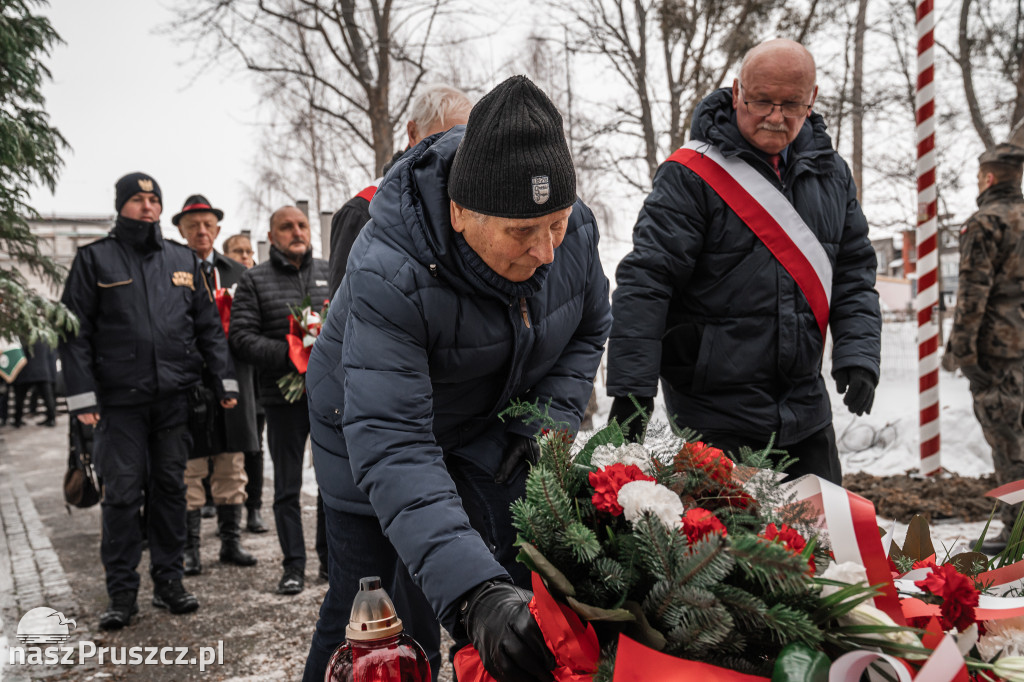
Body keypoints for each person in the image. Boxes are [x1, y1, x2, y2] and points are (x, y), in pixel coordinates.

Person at [302, 75, 611, 682]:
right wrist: (475, 596)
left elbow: (589, 325)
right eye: (523, 232)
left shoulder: (572, 233)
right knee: (374, 616)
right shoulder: (390, 269)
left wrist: (545, 418)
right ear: (460, 210)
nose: (547, 250)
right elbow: (393, 444)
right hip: (364, 426)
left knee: (516, 603)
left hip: (477, 423)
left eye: (557, 224)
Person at [607, 39, 881, 485]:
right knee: (726, 553)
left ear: (811, 100)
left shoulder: (832, 174)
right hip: (713, 413)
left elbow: (853, 272)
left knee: (825, 547)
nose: (776, 116)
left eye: (791, 103)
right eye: (761, 101)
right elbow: (648, 279)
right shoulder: (689, 175)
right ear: (736, 93)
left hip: (805, 407)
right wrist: (631, 389)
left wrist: (859, 352)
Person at [59, 172, 238, 630]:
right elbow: (73, 333)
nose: (147, 206)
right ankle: (121, 594)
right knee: (120, 498)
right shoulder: (94, 260)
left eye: (153, 199)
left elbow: (207, 330)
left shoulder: (181, 260)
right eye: (137, 199)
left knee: (170, 493)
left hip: (173, 403)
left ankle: (169, 583)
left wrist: (225, 383)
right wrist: (82, 398)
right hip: (118, 407)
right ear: (121, 206)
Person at [229, 205, 330, 595]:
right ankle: (293, 567)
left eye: (302, 225)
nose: (297, 231)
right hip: (282, 398)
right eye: (286, 227)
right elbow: (241, 338)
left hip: (326, 397)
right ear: (271, 237)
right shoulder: (254, 280)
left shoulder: (327, 271)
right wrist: (290, 352)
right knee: (287, 487)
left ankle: (329, 562)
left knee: (331, 485)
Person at [942, 143, 1024, 553]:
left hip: (998, 351)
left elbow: (973, 295)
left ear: (988, 178)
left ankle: (1017, 530)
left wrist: (963, 353)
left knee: (1007, 440)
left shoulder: (986, 223)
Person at [172, 195, 260, 573]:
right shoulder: (170, 269)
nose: (201, 232)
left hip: (235, 378)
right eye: (193, 226)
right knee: (190, 467)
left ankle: (231, 542)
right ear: (180, 230)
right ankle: (190, 548)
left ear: (218, 229)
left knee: (231, 464)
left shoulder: (239, 274)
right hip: (189, 381)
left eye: (207, 225)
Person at [327, 84, 473, 296]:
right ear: (413, 133)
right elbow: (342, 316)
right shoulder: (362, 210)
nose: (453, 155)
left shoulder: (465, 207)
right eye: (443, 140)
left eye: (463, 145)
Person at [223, 232, 268, 533]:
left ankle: (254, 508)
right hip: (229, 377)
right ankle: (224, 508)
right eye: (238, 251)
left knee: (255, 447)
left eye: (249, 251)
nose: (245, 256)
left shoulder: (260, 284)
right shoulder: (220, 286)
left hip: (257, 380)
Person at [11, 339, 57, 427]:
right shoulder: (45, 340)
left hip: (26, 372)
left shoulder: (23, 339)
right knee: (47, 398)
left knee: (20, 399)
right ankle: (51, 419)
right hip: (42, 372)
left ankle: (17, 420)